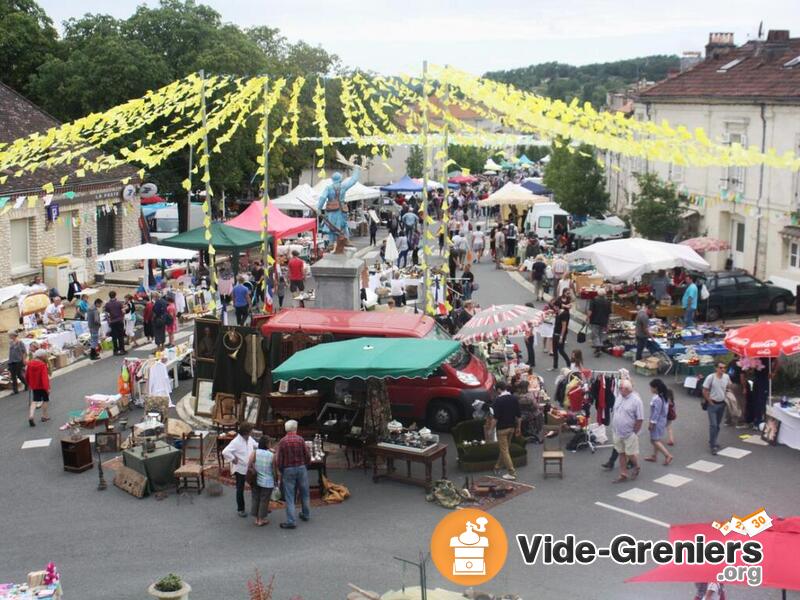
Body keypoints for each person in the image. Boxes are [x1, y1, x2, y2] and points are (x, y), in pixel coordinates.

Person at [275, 419, 311, 529]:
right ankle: (306, 514)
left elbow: (279, 459)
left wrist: (281, 470)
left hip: (288, 469)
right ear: (295, 428)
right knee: (305, 492)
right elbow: (307, 455)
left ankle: (291, 521)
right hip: (301, 468)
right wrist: (306, 465)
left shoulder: (282, 441)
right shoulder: (300, 440)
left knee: (290, 496)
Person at [610, 379, 643, 483]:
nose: (619, 390)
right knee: (621, 453)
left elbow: (640, 419)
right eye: (619, 388)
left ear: (628, 389)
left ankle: (637, 466)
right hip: (617, 431)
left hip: (629, 433)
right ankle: (623, 473)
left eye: (621, 388)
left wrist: (634, 432)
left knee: (630, 454)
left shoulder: (636, 401)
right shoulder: (619, 397)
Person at [221, 423, 258, 518]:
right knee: (240, 489)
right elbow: (225, 451)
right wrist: (233, 458)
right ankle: (241, 509)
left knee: (255, 487)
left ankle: (257, 507)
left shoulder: (249, 439)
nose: (252, 432)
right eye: (250, 431)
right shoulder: (236, 441)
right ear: (246, 432)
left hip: (250, 467)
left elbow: (256, 445)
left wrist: (265, 447)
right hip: (240, 469)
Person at [492, 382, 521, 481]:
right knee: (505, 449)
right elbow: (519, 416)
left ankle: (511, 472)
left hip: (502, 429)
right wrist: (519, 428)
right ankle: (497, 467)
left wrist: (491, 429)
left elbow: (495, 418)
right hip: (512, 428)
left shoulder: (498, 401)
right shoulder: (514, 398)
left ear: (499, 389)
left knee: (504, 450)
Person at [703, 362, 731, 455]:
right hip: (713, 404)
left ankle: (713, 440)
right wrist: (710, 401)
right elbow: (704, 390)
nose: (723, 369)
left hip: (722, 404)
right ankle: (713, 446)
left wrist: (727, 394)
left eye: (724, 367)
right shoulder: (711, 377)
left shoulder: (726, 377)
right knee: (713, 425)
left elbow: (729, 386)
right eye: (720, 368)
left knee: (718, 425)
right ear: (716, 368)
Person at [248, 435, 276, 527]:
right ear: (267, 444)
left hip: (256, 479)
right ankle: (261, 519)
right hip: (267, 481)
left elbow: (249, 464)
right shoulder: (272, 455)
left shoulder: (255, 452)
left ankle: (256, 518)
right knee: (264, 500)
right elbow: (274, 469)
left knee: (255, 498)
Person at [645, 379, 674, 465]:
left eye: (651, 387)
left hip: (657, 422)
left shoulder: (657, 399)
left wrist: (651, 423)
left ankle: (667, 455)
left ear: (656, 388)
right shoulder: (663, 396)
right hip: (662, 420)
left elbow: (656, 413)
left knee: (654, 440)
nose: (650, 389)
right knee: (656, 439)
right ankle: (654, 455)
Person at [26, 349, 51, 427]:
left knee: (34, 401)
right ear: (42, 356)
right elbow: (44, 378)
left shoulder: (30, 364)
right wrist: (47, 388)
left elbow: (26, 375)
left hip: (34, 386)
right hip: (42, 386)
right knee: (45, 400)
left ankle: (31, 415)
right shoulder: (42, 365)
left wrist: (29, 383)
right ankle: (44, 416)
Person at [588, 288, 611, 357]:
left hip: (594, 319)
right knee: (600, 334)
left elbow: (590, 311)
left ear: (597, 293)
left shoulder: (594, 300)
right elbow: (609, 313)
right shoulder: (607, 301)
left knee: (595, 334)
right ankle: (599, 347)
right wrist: (608, 322)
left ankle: (598, 347)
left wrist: (587, 318)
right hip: (603, 320)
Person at [549, 301, 571, 371]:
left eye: (555, 307)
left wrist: (561, 337)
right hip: (555, 333)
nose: (554, 308)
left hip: (560, 335)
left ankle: (569, 364)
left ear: (558, 307)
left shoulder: (564, 314)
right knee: (555, 351)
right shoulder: (558, 313)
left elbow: (564, 326)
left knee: (561, 350)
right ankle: (555, 366)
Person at [104, 291, 126, 355]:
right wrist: (122, 317)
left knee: (114, 337)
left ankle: (115, 350)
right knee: (120, 336)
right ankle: (122, 349)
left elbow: (106, 314)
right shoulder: (119, 303)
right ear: (115, 295)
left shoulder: (107, 304)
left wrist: (109, 321)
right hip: (119, 321)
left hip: (112, 322)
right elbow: (123, 311)